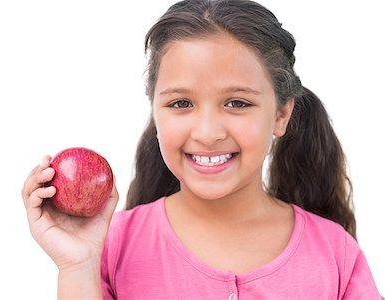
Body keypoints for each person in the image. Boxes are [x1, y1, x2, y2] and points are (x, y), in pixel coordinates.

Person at [21, 0, 383, 298]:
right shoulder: (110, 248)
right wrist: (78, 268)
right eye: (181, 104)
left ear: (281, 115)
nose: (208, 133)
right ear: (155, 112)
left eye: (238, 103)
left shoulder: (336, 255)